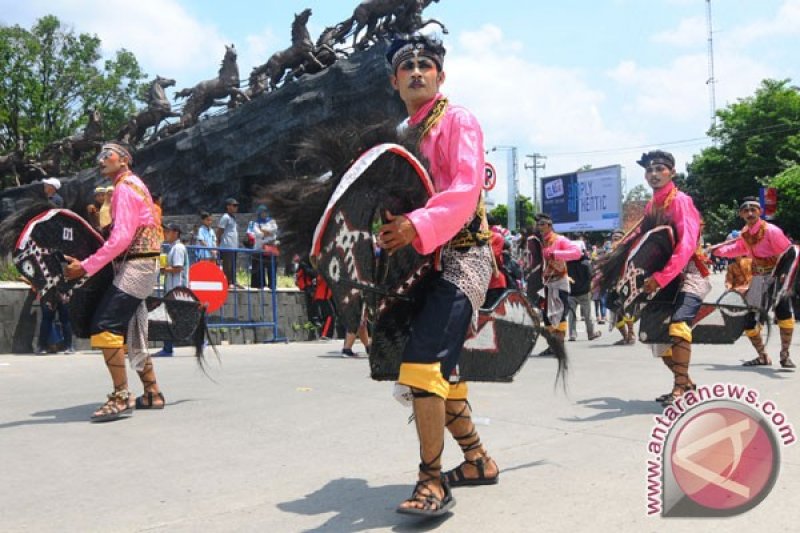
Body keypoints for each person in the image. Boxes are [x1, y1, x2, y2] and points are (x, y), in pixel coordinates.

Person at [377, 34, 497, 517]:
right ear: (395, 81)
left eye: (427, 64)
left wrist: (416, 225)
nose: (417, 71)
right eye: (407, 66)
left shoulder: (458, 120)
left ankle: (432, 482)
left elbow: (465, 190)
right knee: (438, 369)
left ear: (441, 76)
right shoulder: (399, 135)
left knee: (423, 364)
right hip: (419, 262)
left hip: (463, 256)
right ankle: (477, 461)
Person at [64, 142, 165, 422]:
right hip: (139, 265)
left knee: (105, 325)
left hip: (136, 264)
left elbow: (120, 240)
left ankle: (121, 395)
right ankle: (152, 391)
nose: (100, 160)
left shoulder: (123, 187)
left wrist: (84, 266)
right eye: (98, 156)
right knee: (133, 331)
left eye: (106, 154)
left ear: (124, 160)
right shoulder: (135, 185)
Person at [637, 150, 710, 406]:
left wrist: (662, 277)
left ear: (672, 172)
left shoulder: (681, 201)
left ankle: (679, 388)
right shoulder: (651, 206)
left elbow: (687, 245)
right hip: (663, 278)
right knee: (655, 337)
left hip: (689, 274)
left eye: (660, 169)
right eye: (649, 170)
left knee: (678, 326)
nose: (654, 174)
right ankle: (687, 384)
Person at [711, 197, 795, 369]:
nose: (750, 213)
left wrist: (784, 274)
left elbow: (789, 252)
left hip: (776, 276)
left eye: (753, 210)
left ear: (760, 212)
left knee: (783, 313)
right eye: (746, 210)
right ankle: (762, 356)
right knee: (749, 322)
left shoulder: (771, 231)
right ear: (741, 214)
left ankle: (785, 355)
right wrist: (717, 251)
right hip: (758, 278)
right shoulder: (745, 234)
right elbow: (738, 249)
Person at [535, 213, 583, 355]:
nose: (540, 227)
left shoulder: (559, 239)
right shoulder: (539, 241)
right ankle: (553, 346)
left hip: (559, 281)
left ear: (549, 225)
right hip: (546, 283)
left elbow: (577, 252)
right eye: (538, 224)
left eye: (542, 224)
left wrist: (556, 254)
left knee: (560, 313)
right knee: (546, 316)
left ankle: (559, 347)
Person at [153, 222, 189, 357]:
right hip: (173, 288)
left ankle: (168, 348)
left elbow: (178, 268)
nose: (165, 234)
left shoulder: (178, 248)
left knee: (169, 318)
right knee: (178, 318)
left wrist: (163, 269)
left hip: (177, 289)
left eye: (168, 231)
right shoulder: (173, 248)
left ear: (176, 233)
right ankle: (200, 339)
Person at [567, 250, 601, 341]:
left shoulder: (567, 263)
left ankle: (572, 335)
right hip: (584, 292)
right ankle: (590, 334)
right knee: (587, 315)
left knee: (571, 315)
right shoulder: (586, 263)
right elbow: (591, 275)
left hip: (571, 292)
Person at [610, 229, 636, 345]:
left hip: (625, 283)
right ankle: (625, 337)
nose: (615, 239)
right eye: (613, 238)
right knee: (615, 311)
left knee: (626, 310)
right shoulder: (610, 252)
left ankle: (631, 335)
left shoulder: (628, 251)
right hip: (612, 285)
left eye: (618, 238)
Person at [246, 204, 279, 289]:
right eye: (262, 212)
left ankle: (272, 285)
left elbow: (274, 230)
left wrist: (264, 231)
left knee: (272, 267)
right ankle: (261, 285)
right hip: (260, 248)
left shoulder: (272, 221)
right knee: (260, 268)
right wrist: (268, 233)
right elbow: (259, 234)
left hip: (271, 248)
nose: (264, 214)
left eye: (265, 212)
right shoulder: (256, 223)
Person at [217, 198, 240, 288]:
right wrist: (218, 242)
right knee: (227, 265)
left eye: (236, 206)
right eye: (234, 205)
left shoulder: (233, 217)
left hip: (233, 246)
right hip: (226, 245)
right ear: (228, 206)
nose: (236, 207)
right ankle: (227, 282)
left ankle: (233, 281)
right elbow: (220, 230)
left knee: (233, 264)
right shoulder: (225, 217)